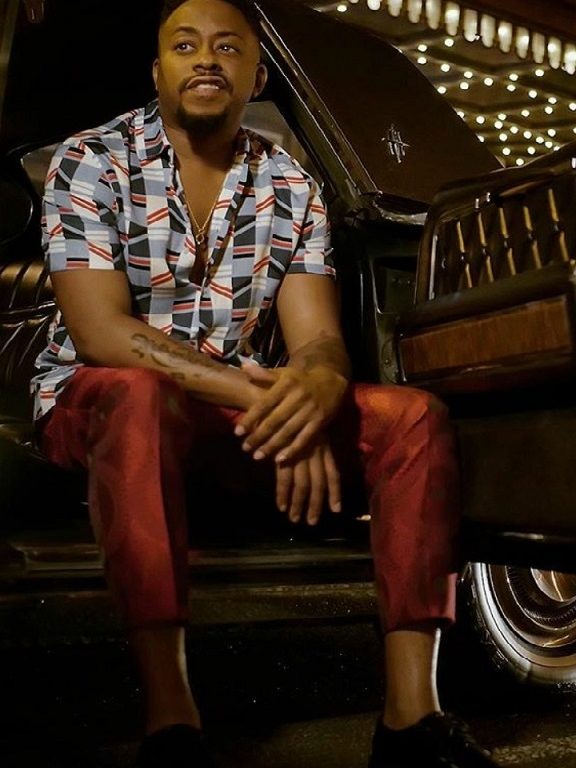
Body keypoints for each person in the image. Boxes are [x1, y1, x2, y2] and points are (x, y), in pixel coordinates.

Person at [32, 1, 501, 766]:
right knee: (139, 394)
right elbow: (101, 335)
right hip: (97, 401)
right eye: (185, 46)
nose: (205, 59)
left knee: (413, 416)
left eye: (227, 48)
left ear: (257, 77)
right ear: (159, 71)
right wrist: (275, 405)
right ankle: (172, 723)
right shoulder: (92, 159)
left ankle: (411, 720)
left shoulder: (289, 183)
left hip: (229, 410)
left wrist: (312, 391)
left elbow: (318, 341)